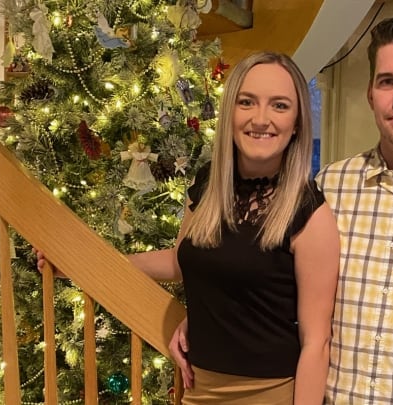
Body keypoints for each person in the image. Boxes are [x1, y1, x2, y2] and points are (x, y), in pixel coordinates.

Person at [170, 14, 393, 404]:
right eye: (387, 81)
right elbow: (270, 282)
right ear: (371, 93)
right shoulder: (329, 188)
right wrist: (205, 313)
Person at [40, 51, 340, 404]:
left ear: (298, 123)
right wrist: (85, 263)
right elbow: (180, 262)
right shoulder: (209, 184)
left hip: (269, 393)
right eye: (247, 102)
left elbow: (316, 343)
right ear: (230, 113)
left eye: (279, 106)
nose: (261, 119)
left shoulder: (309, 211)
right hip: (200, 389)